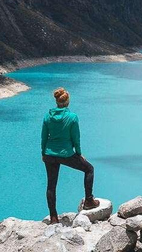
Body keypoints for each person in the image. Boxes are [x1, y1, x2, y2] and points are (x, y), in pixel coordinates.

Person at [41, 87, 99, 223]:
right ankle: (89, 200)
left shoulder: (47, 116)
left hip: (49, 154)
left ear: (56, 101)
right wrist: (78, 154)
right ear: (67, 102)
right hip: (66, 154)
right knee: (89, 169)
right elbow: (75, 138)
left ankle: (54, 217)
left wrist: (43, 152)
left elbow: (43, 137)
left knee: (51, 185)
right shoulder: (72, 117)